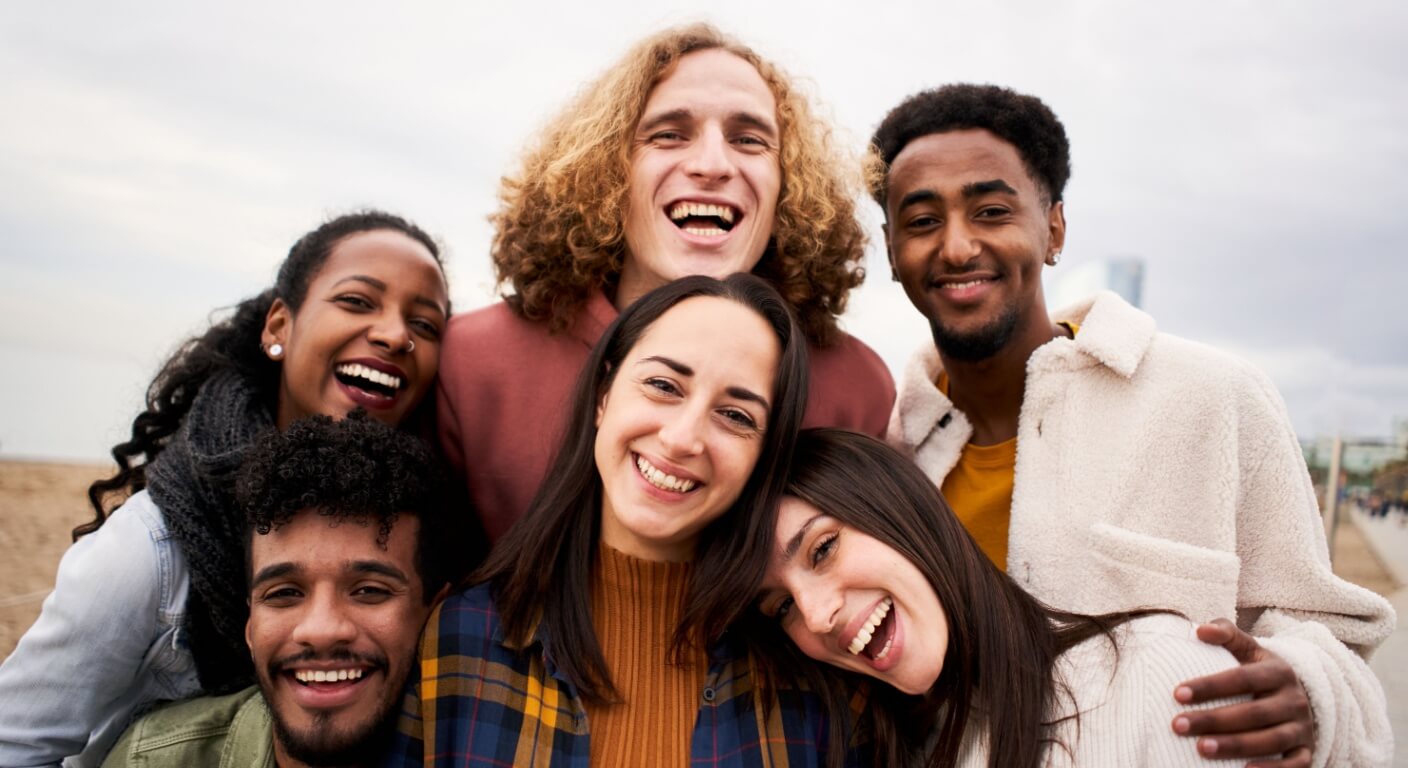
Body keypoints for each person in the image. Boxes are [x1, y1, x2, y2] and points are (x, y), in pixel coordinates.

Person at [874, 84, 1392, 764]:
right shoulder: (892, 451)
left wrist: (1310, 690)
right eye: (921, 221)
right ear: (890, 250)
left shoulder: (1212, 396)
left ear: (1054, 227)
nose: (957, 245)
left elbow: (1333, 637)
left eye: (992, 210)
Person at [0, 211, 451, 768]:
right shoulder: (154, 549)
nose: (394, 333)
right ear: (279, 327)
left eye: (425, 325)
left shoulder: (431, 521)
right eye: (358, 301)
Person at [436, 23, 895, 543]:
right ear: (609, 172)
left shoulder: (857, 390)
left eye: (749, 140)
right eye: (669, 134)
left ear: (788, 186)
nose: (712, 165)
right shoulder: (472, 363)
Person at [390, 274, 848, 766]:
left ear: (765, 455)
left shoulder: (813, 683)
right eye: (663, 385)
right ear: (604, 394)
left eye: (736, 416)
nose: (681, 439)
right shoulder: (454, 640)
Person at [739, 428, 1254, 766]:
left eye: (823, 548)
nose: (816, 614)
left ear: (904, 511)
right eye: (782, 607)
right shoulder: (898, 749)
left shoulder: (1156, 674)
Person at [102, 412, 451, 767]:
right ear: (251, 626)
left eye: (368, 591)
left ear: (435, 617)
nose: (321, 631)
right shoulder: (151, 760)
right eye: (284, 594)